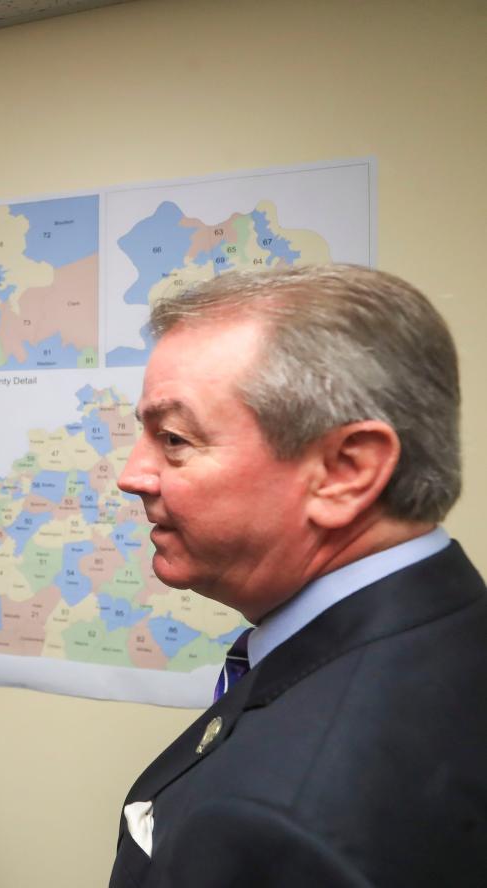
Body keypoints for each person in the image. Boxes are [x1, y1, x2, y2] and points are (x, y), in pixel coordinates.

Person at [108, 265, 486, 887]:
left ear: (346, 471)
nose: (133, 474)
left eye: (173, 438)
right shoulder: (451, 625)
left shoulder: (284, 819)